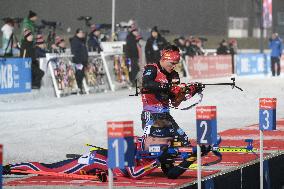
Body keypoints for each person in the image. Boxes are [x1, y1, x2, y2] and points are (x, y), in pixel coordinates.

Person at [3, 119, 211, 180]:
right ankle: (10, 168)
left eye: (169, 141)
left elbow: (173, 174)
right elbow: (133, 173)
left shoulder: (162, 150)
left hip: (110, 170)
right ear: (148, 137)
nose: (167, 144)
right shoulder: (130, 142)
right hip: (96, 161)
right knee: (51, 169)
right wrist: (158, 160)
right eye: (164, 140)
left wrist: (192, 156)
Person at [140, 45, 203, 147]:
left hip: (166, 116)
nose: (174, 66)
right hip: (151, 115)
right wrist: (168, 87)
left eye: (176, 64)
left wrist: (190, 91)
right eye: (172, 63)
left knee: (184, 143)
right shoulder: (152, 69)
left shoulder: (174, 75)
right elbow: (146, 84)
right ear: (164, 59)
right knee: (158, 146)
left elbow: (175, 102)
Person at [70, 28, 88, 93]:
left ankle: (79, 88)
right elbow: (75, 52)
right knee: (79, 74)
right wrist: (78, 61)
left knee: (81, 74)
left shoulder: (81, 41)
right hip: (78, 62)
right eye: (80, 33)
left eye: (82, 33)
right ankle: (77, 88)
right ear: (77, 33)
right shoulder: (75, 41)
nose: (82, 34)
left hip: (82, 61)